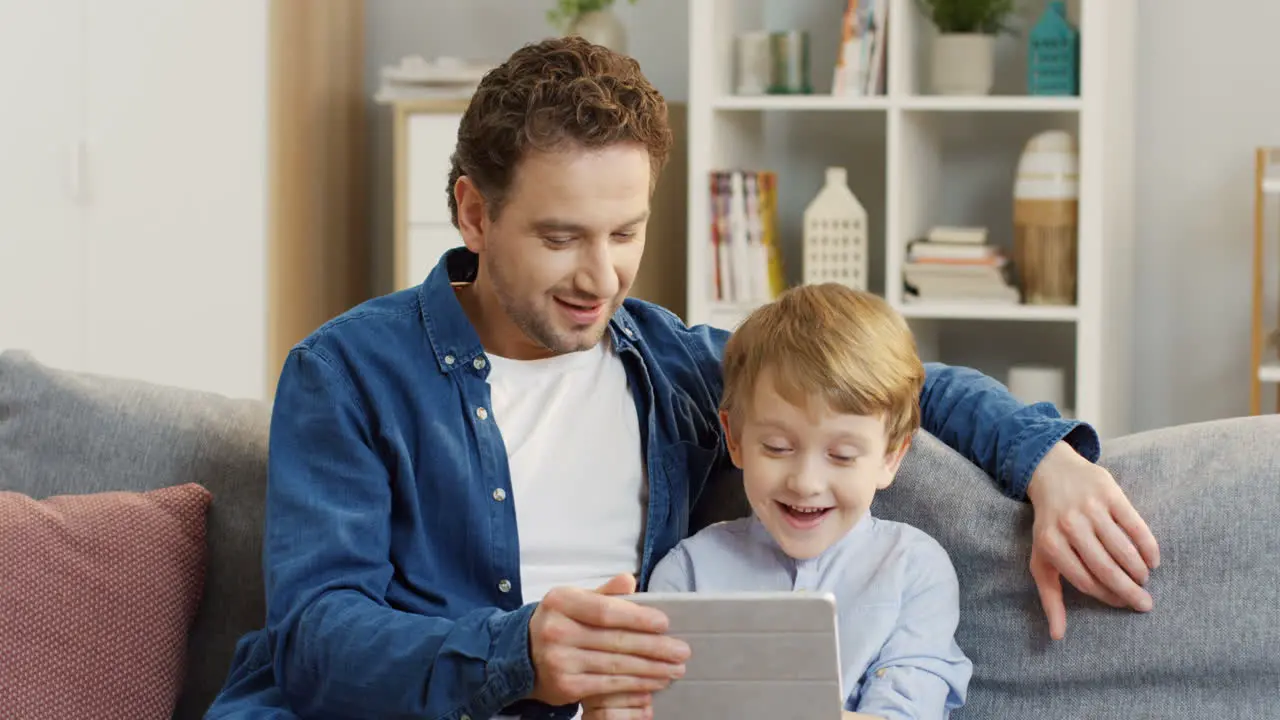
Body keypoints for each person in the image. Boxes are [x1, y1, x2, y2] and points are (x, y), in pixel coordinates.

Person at [205, 36, 1159, 720]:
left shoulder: (667, 364)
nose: (600, 277)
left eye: (626, 233)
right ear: (473, 211)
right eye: (560, 236)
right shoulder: (347, 375)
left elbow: (882, 380)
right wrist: (521, 655)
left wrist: (1048, 464)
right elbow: (316, 640)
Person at [585, 283, 972, 720]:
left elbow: (908, 709)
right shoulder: (688, 571)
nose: (806, 483)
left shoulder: (914, 570)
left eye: (841, 456)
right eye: (776, 447)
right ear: (735, 439)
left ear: (890, 457)